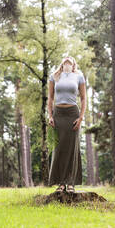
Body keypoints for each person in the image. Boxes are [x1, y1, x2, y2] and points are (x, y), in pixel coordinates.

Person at [47, 56, 86, 193]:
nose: (68, 62)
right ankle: (61, 183)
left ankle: (71, 183)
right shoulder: (54, 76)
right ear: (62, 63)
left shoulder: (79, 76)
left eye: (70, 60)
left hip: (72, 114)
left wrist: (81, 118)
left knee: (72, 149)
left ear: (74, 64)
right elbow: (50, 98)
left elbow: (83, 98)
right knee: (59, 148)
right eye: (65, 60)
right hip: (58, 114)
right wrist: (50, 115)